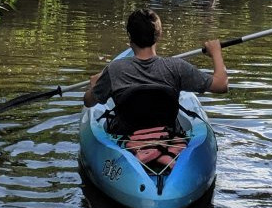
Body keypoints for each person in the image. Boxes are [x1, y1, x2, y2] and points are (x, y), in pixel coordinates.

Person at [84, 8, 228, 133]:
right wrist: (216, 53)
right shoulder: (177, 67)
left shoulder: (115, 70)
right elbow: (221, 85)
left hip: (126, 137)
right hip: (168, 138)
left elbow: (88, 102)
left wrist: (94, 86)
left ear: (130, 37)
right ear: (159, 35)